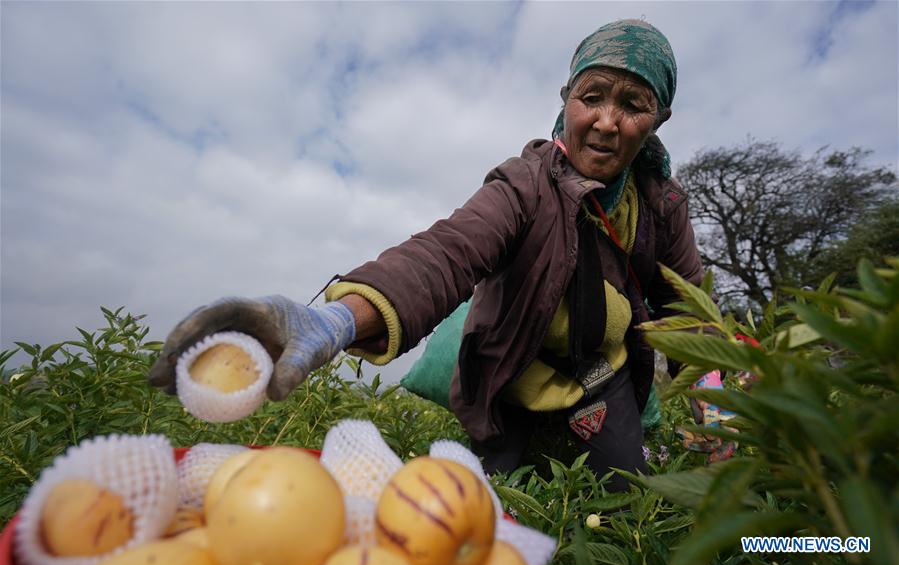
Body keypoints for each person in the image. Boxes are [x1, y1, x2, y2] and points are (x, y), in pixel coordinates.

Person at [149, 19, 704, 492]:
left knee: (629, 493)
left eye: (632, 105)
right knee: (491, 497)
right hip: (513, 368)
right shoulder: (526, 185)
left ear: (658, 118)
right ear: (567, 100)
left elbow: (689, 309)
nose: (606, 121)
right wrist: (335, 321)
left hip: (600, 372)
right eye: (592, 97)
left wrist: (715, 394)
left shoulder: (661, 204)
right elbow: (448, 252)